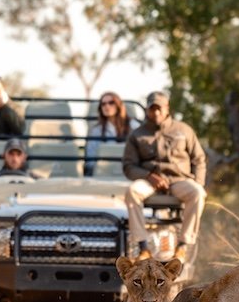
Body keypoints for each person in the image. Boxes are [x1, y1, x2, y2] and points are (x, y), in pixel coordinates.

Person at [123, 90, 207, 263]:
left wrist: (198, 183)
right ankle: (143, 247)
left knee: (198, 193)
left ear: (167, 108)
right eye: (152, 109)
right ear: (147, 110)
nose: (156, 113)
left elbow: (199, 160)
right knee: (132, 191)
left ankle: (183, 246)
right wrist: (148, 176)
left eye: (159, 108)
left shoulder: (184, 130)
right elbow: (128, 166)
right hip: (150, 181)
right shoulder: (137, 134)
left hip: (179, 181)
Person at [84, 91, 132, 173]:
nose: (107, 106)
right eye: (103, 104)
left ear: (118, 105)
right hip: (103, 173)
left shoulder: (133, 126)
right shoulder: (96, 131)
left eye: (111, 103)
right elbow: (90, 159)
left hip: (128, 171)